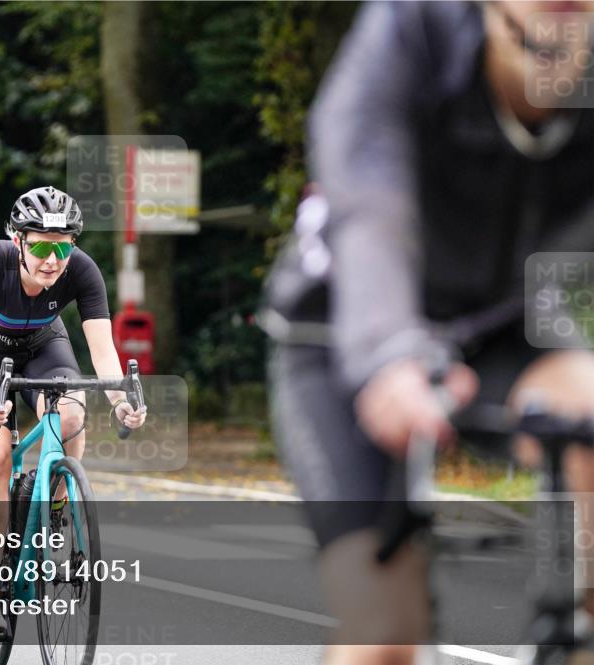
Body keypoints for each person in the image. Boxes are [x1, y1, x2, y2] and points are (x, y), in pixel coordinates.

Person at [264, 3, 594, 664]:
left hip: (501, 329)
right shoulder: (412, 31)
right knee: (384, 627)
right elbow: (371, 205)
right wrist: (389, 352)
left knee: (585, 405)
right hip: (342, 329)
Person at [0, 185, 147, 637]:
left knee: (73, 415)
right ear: (17, 241)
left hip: (42, 345)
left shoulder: (82, 271)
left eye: (62, 247)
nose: (52, 260)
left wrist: (121, 404)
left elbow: (103, 352)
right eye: (40, 246)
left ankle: (55, 504)